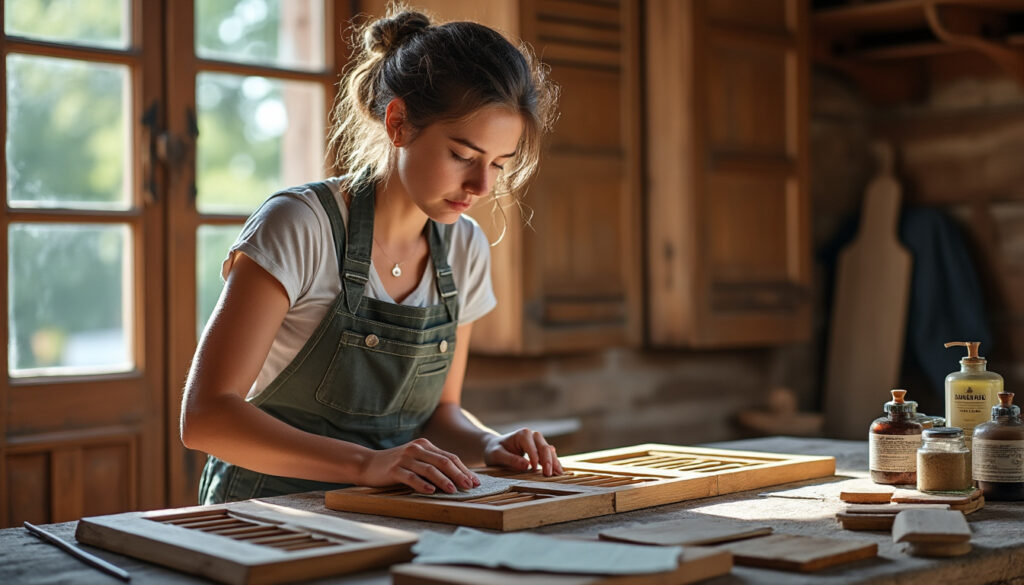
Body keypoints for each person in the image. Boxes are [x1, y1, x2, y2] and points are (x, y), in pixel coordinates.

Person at [180, 6, 562, 504]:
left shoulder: (463, 247)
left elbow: (439, 415)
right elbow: (207, 417)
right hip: (263, 516)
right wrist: (368, 464)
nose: (482, 185)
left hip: (388, 518)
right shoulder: (301, 225)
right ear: (398, 122)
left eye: (498, 164)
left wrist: (490, 444)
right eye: (463, 156)